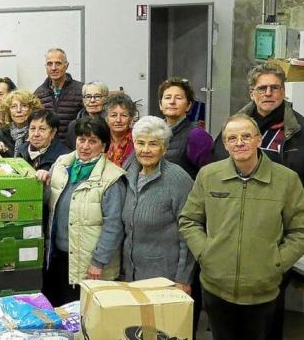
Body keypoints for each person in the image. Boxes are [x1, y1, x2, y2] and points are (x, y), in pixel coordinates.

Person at [179, 114, 304, 340]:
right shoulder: (209, 176)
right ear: (225, 145)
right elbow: (189, 220)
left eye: (246, 136)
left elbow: (300, 230)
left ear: (258, 140)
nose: (240, 142)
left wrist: (276, 262)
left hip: (262, 289)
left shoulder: (286, 180)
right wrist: (206, 253)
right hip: (216, 287)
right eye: (232, 138)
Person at [42, 117, 126, 306]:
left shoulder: (112, 178)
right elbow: (49, 203)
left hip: (89, 265)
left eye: (93, 141)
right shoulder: (62, 164)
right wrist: (40, 183)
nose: (85, 146)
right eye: (81, 139)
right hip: (57, 257)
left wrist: (98, 262)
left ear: (104, 145)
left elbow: (114, 226)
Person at [122, 116, 195, 292]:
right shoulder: (127, 173)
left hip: (165, 278)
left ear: (164, 148)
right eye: (140, 143)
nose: (146, 150)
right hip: (131, 274)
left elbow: (189, 230)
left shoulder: (178, 179)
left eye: (153, 144)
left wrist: (183, 278)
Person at [158, 77, 213, 179]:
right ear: (160, 104)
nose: (172, 102)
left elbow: (210, 175)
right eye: (167, 97)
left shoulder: (197, 135)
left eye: (178, 98)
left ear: (188, 105)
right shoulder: (155, 133)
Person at [34, 48, 84, 140]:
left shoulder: (81, 90)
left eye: (58, 63)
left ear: (66, 65)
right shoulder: (39, 93)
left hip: (73, 148)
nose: (53, 68)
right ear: (46, 67)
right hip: (48, 148)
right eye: (49, 64)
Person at [18, 109, 69, 177]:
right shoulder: (22, 150)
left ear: (53, 132)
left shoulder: (64, 157)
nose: (36, 134)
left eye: (42, 129)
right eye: (32, 128)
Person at [0, 90, 43, 158]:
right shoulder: (1, 133)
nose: (18, 110)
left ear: (32, 109)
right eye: (13, 106)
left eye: (24, 106)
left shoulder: (38, 133)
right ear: (8, 110)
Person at [66, 81, 109, 149]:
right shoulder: (73, 125)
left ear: (106, 99)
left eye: (97, 96)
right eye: (88, 96)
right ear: (83, 100)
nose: (92, 100)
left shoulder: (110, 124)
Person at [105, 93, 137, 170]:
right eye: (113, 115)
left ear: (131, 119)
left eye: (124, 115)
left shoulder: (137, 140)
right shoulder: (100, 139)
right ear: (107, 119)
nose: (118, 120)